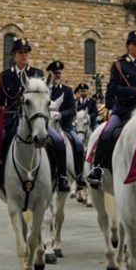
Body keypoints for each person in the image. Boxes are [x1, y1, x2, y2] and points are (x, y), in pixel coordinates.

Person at [0, 37, 69, 194]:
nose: (24, 55)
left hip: (35, 119)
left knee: (58, 141)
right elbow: (0, 101)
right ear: (13, 55)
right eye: (21, 52)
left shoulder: (37, 73)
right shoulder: (5, 76)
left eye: (26, 52)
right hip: (11, 120)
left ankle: (61, 177)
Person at [88, 29, 136, 190]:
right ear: (128, 46)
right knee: (108, 131)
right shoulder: (119, 64)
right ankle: (98, 168)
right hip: (124, 109)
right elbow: (114, 88)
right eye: (134, 44)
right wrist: (134, 91)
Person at [47, 61, 87, 190]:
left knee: (79, 144)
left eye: (59, 73)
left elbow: (72, 110)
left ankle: (79, 175)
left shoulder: (67, 90)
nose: (57, 75)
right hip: (46, 126)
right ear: (50, 74)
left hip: (65, 126)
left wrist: (60, 114)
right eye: (55, 73)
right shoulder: (45, 90)